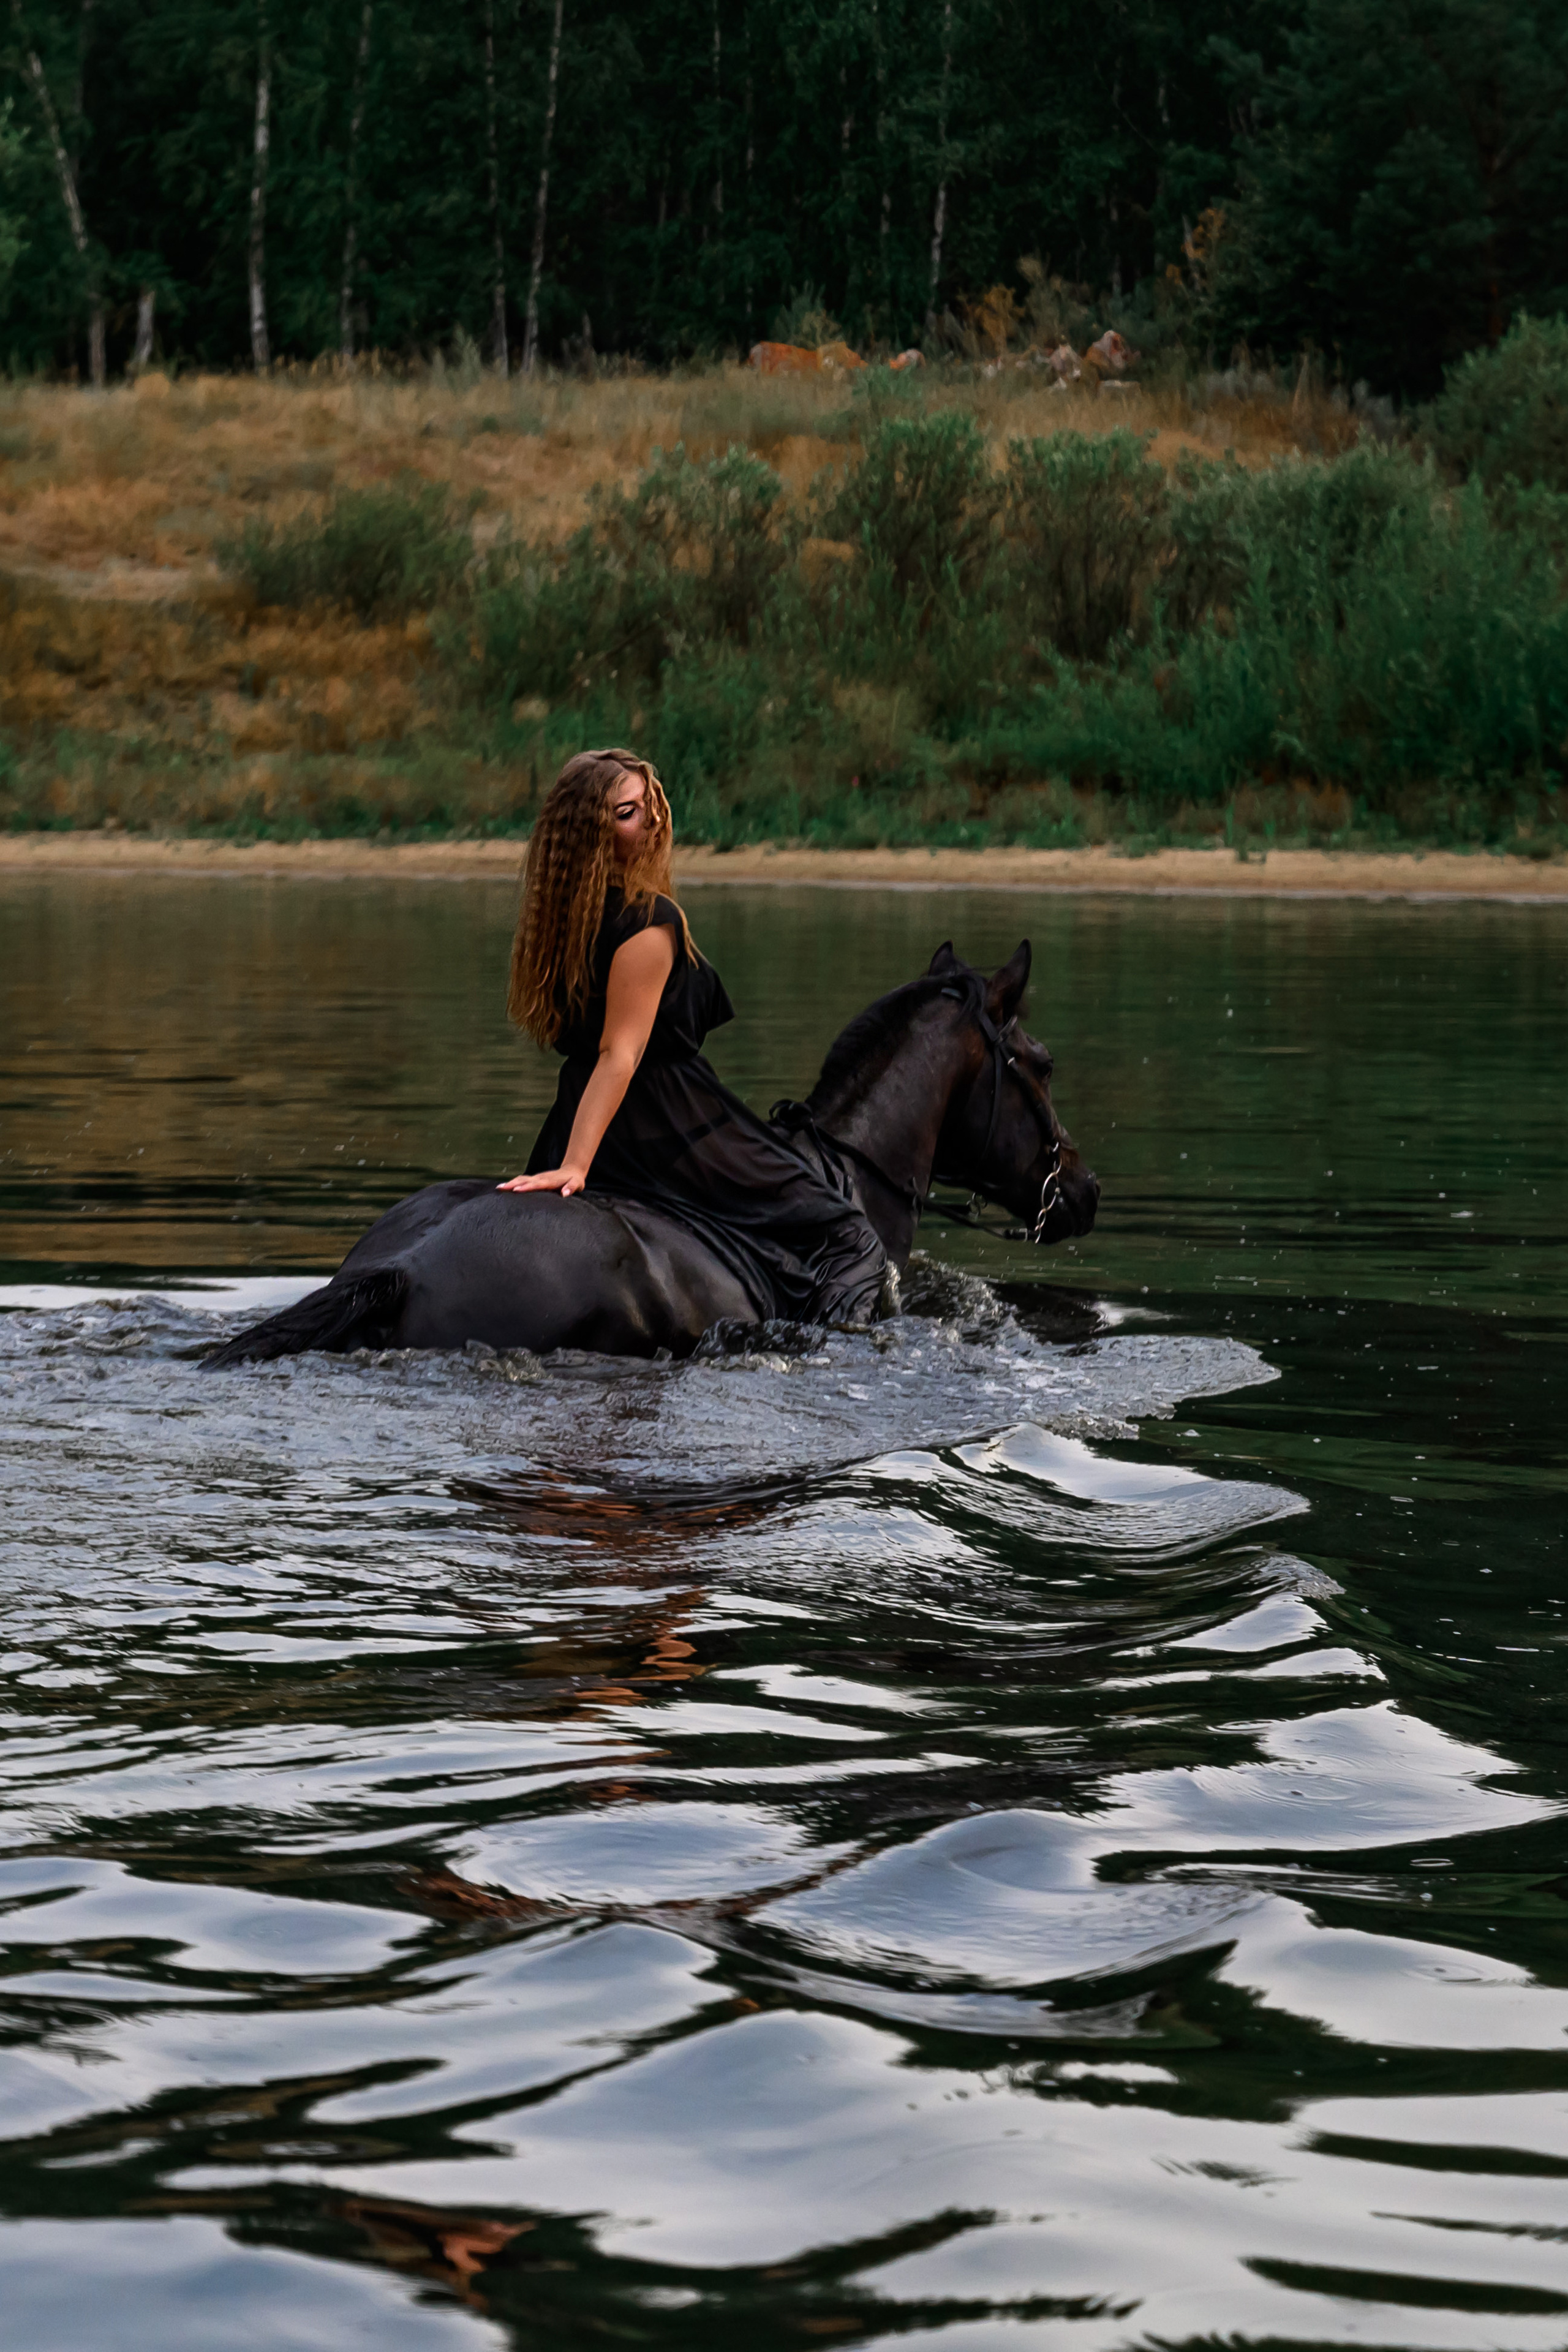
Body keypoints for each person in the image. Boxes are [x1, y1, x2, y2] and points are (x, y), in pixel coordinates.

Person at [499, 747, 887, 1325]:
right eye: (629, 812)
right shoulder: (649, 921)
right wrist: (576, 1167)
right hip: (662, 1122)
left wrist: (572, 1152)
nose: (652, 823)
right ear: (592, 833)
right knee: (848, 1233)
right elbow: (620, 1054)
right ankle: (831, 1369)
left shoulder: (562, 922)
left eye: (651, 807)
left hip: (581, 1113)